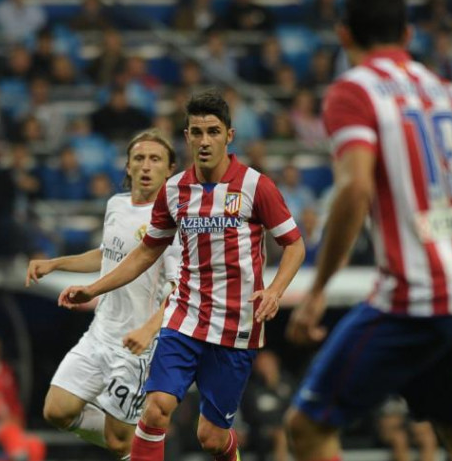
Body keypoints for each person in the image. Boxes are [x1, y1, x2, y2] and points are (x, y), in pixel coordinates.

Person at [283, 0, 452, 461]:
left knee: (308, 427)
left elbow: (355, 188)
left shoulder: (352, 92)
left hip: (416, 296)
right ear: (409, 33)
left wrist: (317, 291)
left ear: (343, 35)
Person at [59, 90, 306, 461]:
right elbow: (146, 251)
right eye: (196, 132)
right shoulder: (174, 190)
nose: (204, 141)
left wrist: (274, 290)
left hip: (235, 324)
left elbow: (295, 245)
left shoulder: (256, 186)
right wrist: (93, 288)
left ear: (229, 135)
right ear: (187, 136)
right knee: (156, 407)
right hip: (184, 314)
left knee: (211, 437)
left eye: (213, 131)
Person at [25, 129, 181, 460]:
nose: (146, 166)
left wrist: (149, 330)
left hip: (136, 348)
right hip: (99, 333)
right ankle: (138, 442)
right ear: (127, 166)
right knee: (56, 410)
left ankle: (137, 445)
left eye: (155, 159)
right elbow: (106, 254)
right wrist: (56, 263)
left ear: (170, 170)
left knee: (118, 442)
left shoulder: (172, 222)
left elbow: (180, 290)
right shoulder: (117, 204)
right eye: (139, 158)